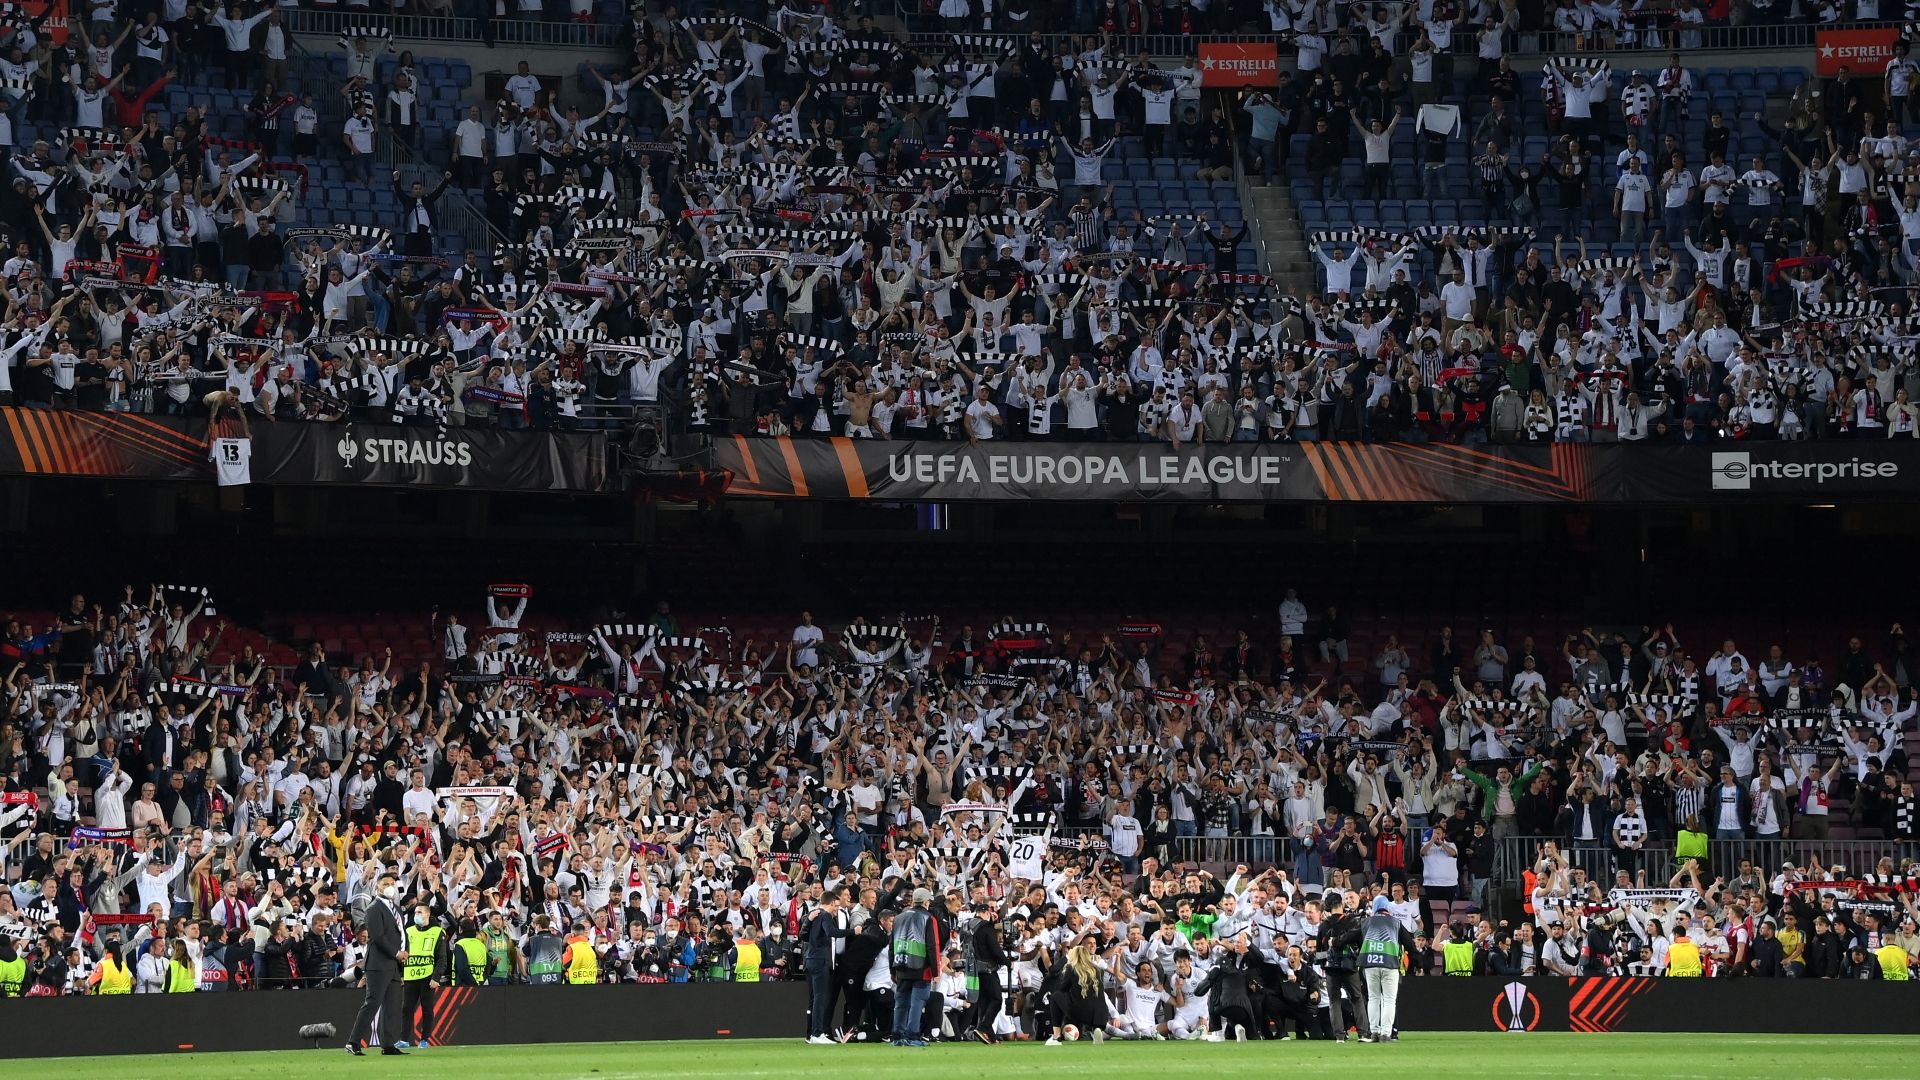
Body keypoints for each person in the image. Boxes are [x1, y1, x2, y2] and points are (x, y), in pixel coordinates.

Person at [346, 872, 408, 1056]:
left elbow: (402, 933)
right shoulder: (374, 908)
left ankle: (388, 1044)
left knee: (393, 1006)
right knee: (372, 1003)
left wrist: (406, 951)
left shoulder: (396, 908)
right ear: (377, 887)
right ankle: (353, 1042)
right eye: (386, 883)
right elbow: (378, 936)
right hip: (379, 964)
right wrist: (397, 953)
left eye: (392, 883)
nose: (390, 886)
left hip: (395, 965)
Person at [889, 888, 942, 1046]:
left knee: (901, 1003)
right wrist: (935, 970)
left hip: (900, 964)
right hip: (921, 966)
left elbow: (891, 945)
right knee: (917, 1002)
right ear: (926, 902)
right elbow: (933, 946)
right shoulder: (928, 918)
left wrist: (892, 969)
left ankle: (898, 1036)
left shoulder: (898, 918)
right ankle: (912, 1036)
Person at [1359, 895, 1412, 1042]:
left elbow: (1355, 937)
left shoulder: (1366, 922)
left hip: (1370, 964)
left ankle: (1374, 1031)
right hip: (1390, 964)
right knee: (1389, 1000)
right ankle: (1386, 1033)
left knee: (1373, 998)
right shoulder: (1396, 923)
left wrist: (1336, 941)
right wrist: (1418, 961)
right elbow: (1409, 943)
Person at [400, 904, 448, 1048]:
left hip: (427, 977)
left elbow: (442, 957)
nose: (416, 915)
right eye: (415, 912)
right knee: (406, 1008)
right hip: (410, 975)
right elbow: (402, 954)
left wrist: (436, 977)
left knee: (426, 1008)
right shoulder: (408, 931)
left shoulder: (438, 932)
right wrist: (401, 974)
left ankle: (424, 1039)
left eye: (420, 912)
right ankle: (403, 1040)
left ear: (427, 914)